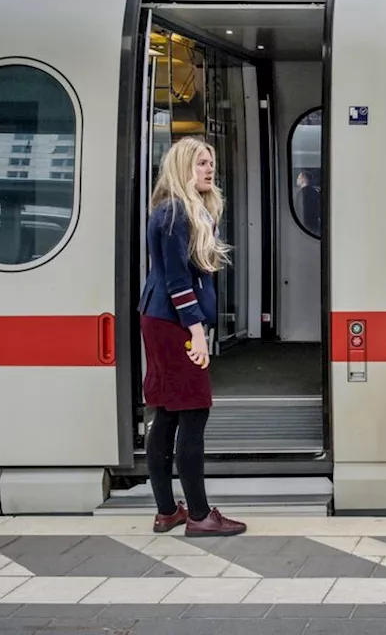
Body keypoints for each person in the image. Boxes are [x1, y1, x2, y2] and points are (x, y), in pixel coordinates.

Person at [139, 136, 246, 537]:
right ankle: (200, 516)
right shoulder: (173, 215)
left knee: (167, 411)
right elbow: (177, 280)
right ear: (183, 167)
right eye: (201, 163)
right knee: (192, 411)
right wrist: (197, 333)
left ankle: (168, 511)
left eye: (211, 161)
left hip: (164, 321)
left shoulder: (184, 210)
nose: (209, 168)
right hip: (174, 325)